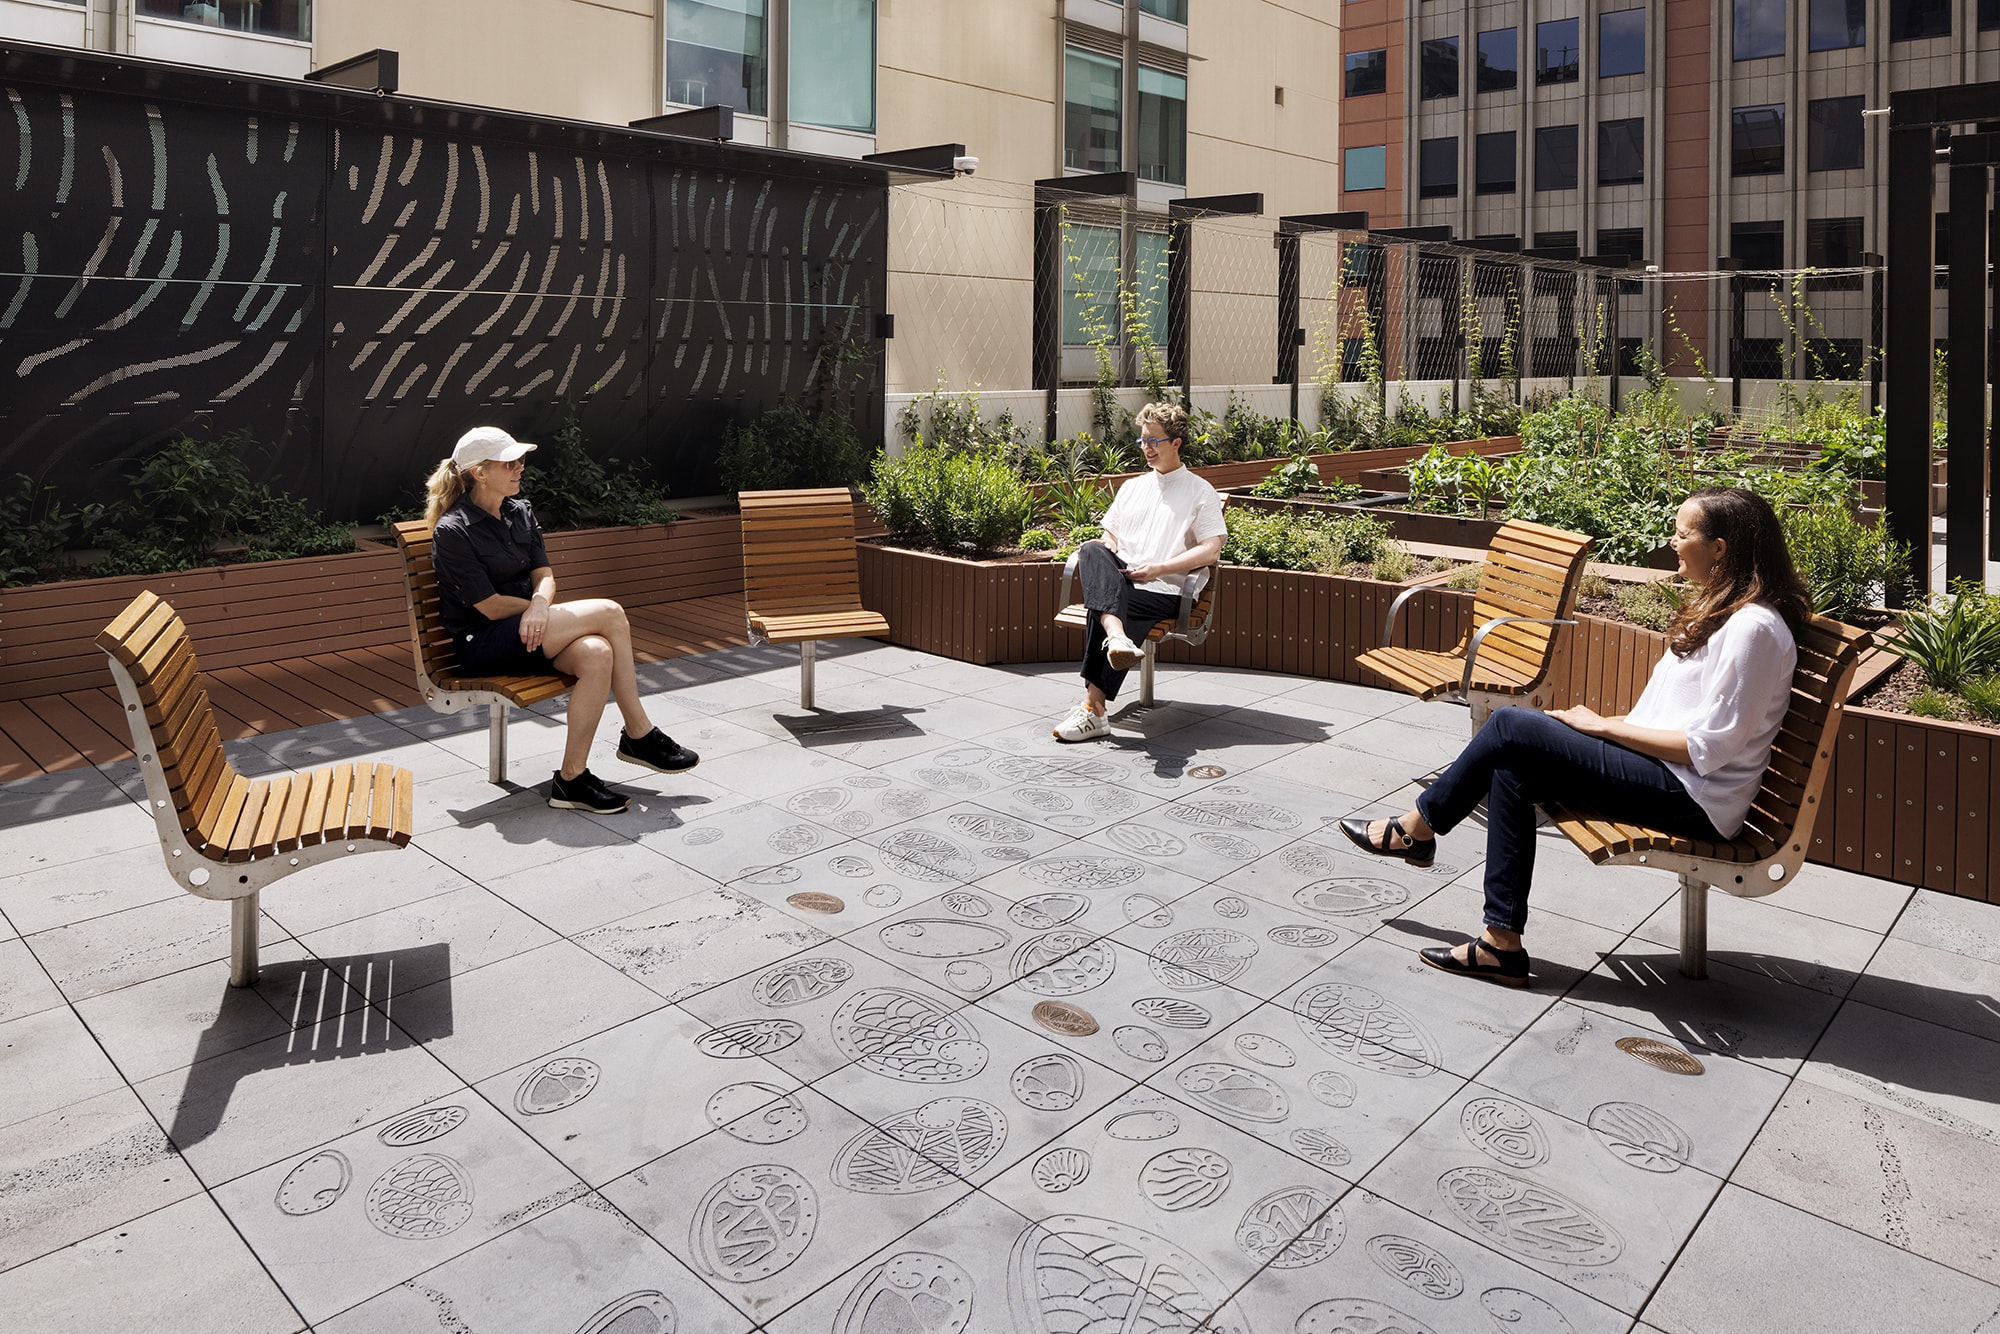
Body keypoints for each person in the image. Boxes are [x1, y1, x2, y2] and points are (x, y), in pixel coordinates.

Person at [1336, 486, 1811, 987]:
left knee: (1511, 723)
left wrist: (1601, 726)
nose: (1672, 542)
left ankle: (1416, 829)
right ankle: (1500, 945)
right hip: (1667, 775)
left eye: (1682, 533)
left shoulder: (1754, 628)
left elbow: (1708, 749)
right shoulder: (1723, 613)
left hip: (1695, 797)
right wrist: (1602, 730)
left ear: (1719, 548)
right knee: (1513, 767)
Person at [423, 426, 698, 814]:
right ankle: (639, 733)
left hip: (529, 629)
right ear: (479, 473)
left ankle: (571, 779)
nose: (520, 467)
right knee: (610, 612)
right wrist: (537, 608)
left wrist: (539, 605)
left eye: (521, 460)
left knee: (597, 652)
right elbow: (489, 607)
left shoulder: (519, 511)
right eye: (510, 462)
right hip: (482, 642)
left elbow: (545, 575)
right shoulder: (454, 530)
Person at [1053, 402, 1227, 743]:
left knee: (1108, 604)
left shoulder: (1200, 491)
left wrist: (1159, 569)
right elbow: (1110, 537)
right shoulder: (1133, 487)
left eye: (1154, 441)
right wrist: (1107, 549)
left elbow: (1211, 550)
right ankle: (1116, 638)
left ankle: (1094, 708)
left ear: (1176, 443)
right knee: (1091, 549)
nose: (1146, 448)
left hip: (1166, 590)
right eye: (1142, 441)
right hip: (1124, 579)